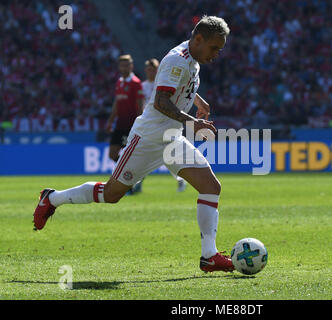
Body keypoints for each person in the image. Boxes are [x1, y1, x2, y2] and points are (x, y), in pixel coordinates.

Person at [33, 16, 234, 273]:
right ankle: (52, 198)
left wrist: (198, 100)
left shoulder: (193, 60)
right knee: (111, 194)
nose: (216, 54)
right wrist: (194, 122)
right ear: (198, 39)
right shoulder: (177, 59)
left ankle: (209, 256)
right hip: (149, 138)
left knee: (210, 186)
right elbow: (161, 101)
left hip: (171, 138)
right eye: (215, 48)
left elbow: (178, 87)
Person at [142, 58, 187, 192]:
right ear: (146, 71)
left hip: (166, 124)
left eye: (153, 69)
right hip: (149, 124)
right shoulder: (142, 86)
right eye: (149, 69)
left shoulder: (163, 83)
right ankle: (136, 183)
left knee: (170, 156)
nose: (151, 72)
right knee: (143, 155)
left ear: (157, 70)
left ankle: (180, 179)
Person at [106, 54, 145, 194]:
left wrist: (141, 123)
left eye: (126, 65)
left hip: (131, 125)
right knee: (112, 154)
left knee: (127, 156)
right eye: (122, 65)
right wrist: (110, 121)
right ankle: (129, 179)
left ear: (131, 66)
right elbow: (117, 103)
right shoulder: (119, 82)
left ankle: (129, 182)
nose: (124, 67)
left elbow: (140, 104)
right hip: (119, 125)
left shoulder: (136, 83)